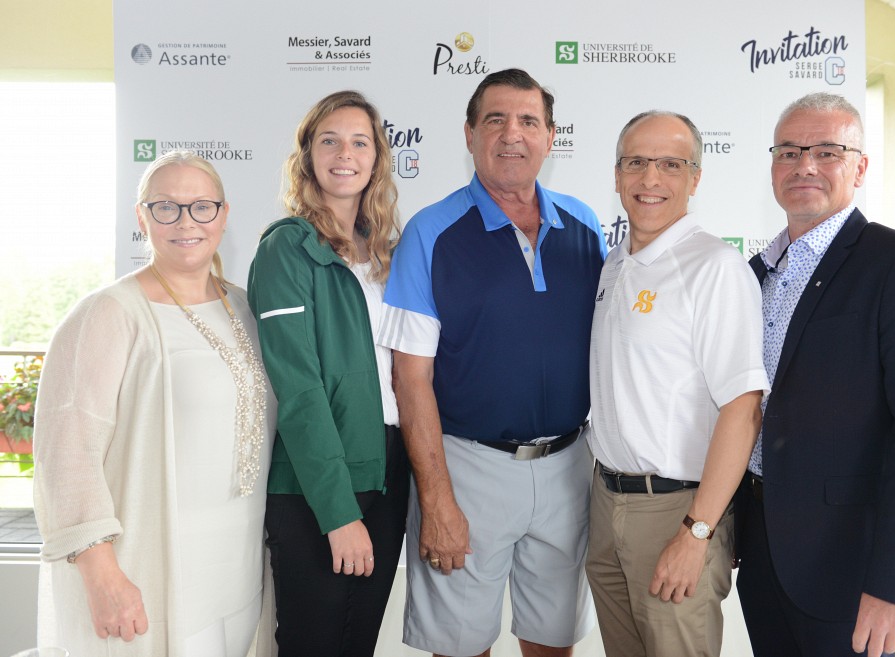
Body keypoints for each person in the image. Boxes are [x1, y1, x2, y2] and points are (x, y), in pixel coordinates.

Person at [378, 68, 605, 657]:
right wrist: (437, 499)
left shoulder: (585, 226)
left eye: (528, 121)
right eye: (496, 120)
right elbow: (410, 380)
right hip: (466, 467)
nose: (512, 134)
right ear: (470, 133)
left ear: (550, 137)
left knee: (554, 642)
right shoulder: (431, 233)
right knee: (460, 646)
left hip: (567, 465)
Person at [734, 92, 895, 657]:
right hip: (762, 555)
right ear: (772, 168)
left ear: (859, 167)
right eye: (788, 152)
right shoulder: (752, 275)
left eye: (827, 151)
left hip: (851, 569)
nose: (805, 165)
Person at [33, 150, 277, 656]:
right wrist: (103, 576)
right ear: (142, 216)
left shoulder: (248, 307)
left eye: (202, 206)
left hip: (238, 573)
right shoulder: (108, 314)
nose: (186, 221)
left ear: (224, 215)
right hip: (149, 576)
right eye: (166, 207)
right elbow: (66, 457)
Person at [585, 111, 769, 657]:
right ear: (616, 174)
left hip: (675, 513)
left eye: (670, 164)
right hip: (606, 500)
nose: (650, 179)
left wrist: (696, 533)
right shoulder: (615, 263)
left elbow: (743, 408)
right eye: (636, 162)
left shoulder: (714, 266)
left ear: (695, 178)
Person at [247, 90, 408, 657]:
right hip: (319, 481)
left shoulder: (386, 251)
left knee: (355, 642)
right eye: (330, 140)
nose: (346, 153)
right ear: (308, 155)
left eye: (360, 141)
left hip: (389, 469)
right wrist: (337, 513)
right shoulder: (286, 249)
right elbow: (298, 391)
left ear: (377, 157)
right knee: (313, 644)